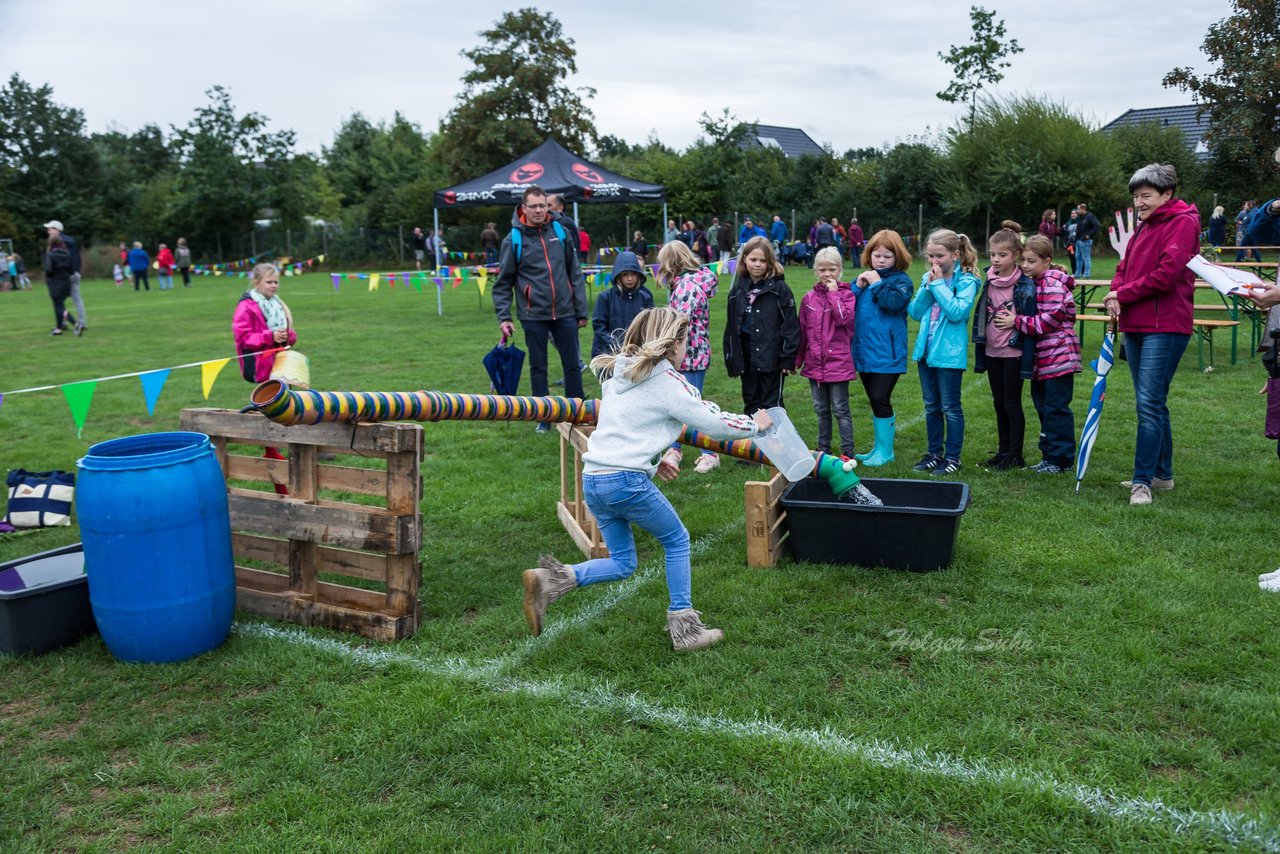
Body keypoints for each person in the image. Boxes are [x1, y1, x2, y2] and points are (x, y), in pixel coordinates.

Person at [520, 307, 772, 650]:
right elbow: (712, 423)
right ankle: (686, 629)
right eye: (685, 343)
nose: (687, 350)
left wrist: (653, 465)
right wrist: (754, 426)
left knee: (623, 562)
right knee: (678, 540)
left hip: (594, 479)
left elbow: (628, 431)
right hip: (625, 482)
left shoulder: (618, 378)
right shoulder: (667, 382)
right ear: (673, 344)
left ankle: (552, 580)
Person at [1102, 163, 1201, 506]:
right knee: (1153, 402)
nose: (1139, 203)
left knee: (1148, 403)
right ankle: (1162, 475)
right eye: (1136, 196)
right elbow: (1123, 267)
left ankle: (1142, 482)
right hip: (1137, 324)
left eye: (1146, 196)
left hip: (1166, 325)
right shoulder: (1144, 226)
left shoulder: (1183, 223)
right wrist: (1115, 292)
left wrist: (1123, 295)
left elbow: (1168, 274)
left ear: (1166, 194)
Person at [492, 185, 588, 433]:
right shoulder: (513, 238)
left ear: (549, 206)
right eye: (532, 206)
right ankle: (543, 417)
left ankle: (577, 412)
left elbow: (574, 272)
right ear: (523, 208)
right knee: (538, 367)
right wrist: (504, 316)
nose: (538, 210)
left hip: (565, 311)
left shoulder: (561, 231)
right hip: (533, 314)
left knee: (573, 365)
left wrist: (581, 309)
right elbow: (504, 282)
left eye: (542, 205)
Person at [998, 234, 1082, 474]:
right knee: (1044, 408)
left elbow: (1046, 322)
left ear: (1046, 261)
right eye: (1023, 260)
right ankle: (1049, 457)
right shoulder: (1035, 282)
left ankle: (1061, 460)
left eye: (1031, 261)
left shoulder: (1053, 285)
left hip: (1059, 359)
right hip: (1042, 361)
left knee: (1056, 408)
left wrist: (1016, 321)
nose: (1025, 265)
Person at [908, 229, 979, 475]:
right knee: (931, 406)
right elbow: (915, 312)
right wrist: (929, 287)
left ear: (956, 255)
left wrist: (938, 285)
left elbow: (957, 312)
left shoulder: (967, 281)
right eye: (930, 256)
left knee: (950, 407)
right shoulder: (928, 279)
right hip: (926, 352)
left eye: (940, 256)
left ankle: (952, 457)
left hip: (949, 354)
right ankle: (933, 453)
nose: (934, 261)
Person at [972, 222, 1036, 471]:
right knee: (998, 403)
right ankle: (1003, 451)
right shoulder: (988, 280)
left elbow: (1032, 317)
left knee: (1011, 403)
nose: (996, 260)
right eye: (993, 254)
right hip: (991, 350)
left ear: (1016, 256)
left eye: (1002, 255)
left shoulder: (1024, 284)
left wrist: (1016, 322)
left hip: (1013, 351)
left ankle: (1015, 455)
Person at [657, 240, 722, 473]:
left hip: (690, 356)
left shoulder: (686, 288)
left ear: (672, 263)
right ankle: (674, 448)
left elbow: (677, 325)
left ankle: (710, 453)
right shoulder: (685, 284)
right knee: (674, 405)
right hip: (683, 355)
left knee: (692, 407)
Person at [233, 263, 297, 496]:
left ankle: (290, 440)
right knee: (270, 404)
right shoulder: (247, 307)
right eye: (269, 282)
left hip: (282, 362)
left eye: (276, 281)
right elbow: (243, 337)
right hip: (261, 365)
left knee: (287, 401)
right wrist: (269, 336)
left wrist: (287, 335)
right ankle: (271, 445)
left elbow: (291, 332)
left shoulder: (278, 304)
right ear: (256, 282)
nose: (274, 286)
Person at [851, 230, 914, 466]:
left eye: (887, 256)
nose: (881, 260)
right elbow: (847, 303)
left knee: (880, 397)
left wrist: (877, 286)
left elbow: (895, 304)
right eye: (877, 255)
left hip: (888, 354)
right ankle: (878, 449)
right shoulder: (866, 279)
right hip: (865, 352)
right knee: (874, 399)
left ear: (897, 257)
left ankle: (886, 452)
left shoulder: (901, 281)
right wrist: (857, 286)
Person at [723, 236, 800, 415]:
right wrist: (732, 358)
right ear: (744, 259)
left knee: (772, 405)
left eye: (762, 260)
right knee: (751, 402)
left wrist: (787, 358)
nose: (757, 264)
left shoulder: (780, 290)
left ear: (770, 262)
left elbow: (790, 326)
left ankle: (779, 442)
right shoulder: (736, 291)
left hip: (771, 357)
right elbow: (731, 329)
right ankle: (754, 443)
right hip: (746, 357)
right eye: (753, 259)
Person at [797, 247, 857, 456]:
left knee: (840, 409)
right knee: (821, 410)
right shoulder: (808, 299)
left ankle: (847, 451)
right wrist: (798, 359)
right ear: (815, 270)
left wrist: (833, 294)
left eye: (832, 269)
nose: (827, 274)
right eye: (822, 270)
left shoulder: (847, 295)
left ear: (840, 270)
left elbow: (843, 319)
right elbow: (803, 331)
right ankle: (823, 448)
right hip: (815, 364)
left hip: (838, 363)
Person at [591, 251, 654, 358]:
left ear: (639, 274)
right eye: (625, 274)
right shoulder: (605, 298)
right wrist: (617, 345)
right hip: (609, 353)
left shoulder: (645, 297)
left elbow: (651, 325)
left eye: (633, 274)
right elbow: (599, 326)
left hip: (638, 354)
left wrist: (639, 346)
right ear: (618, 275)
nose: (630, 278)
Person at [43, 220, 85, 334]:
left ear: (57, 230)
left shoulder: (57, 245)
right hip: (70, 273)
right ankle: (61, 325)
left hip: (62, 277)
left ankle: (76, 323)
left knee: (62, 303)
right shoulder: (69, 242)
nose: (48, 231)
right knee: (68, 301)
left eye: (50, 229)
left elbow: (49, 268)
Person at [1074, 204, 1101, 278]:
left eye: (1078, 209)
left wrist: (1089, 234)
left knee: (1086, 258)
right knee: (1078, 257)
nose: (1077, 211)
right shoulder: (1081, 217)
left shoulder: (1090, 216)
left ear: (1083, 209)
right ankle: (1077, 274)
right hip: (1078, 240)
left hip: (1085, 241)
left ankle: (1086, 274)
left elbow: (1097, 225)